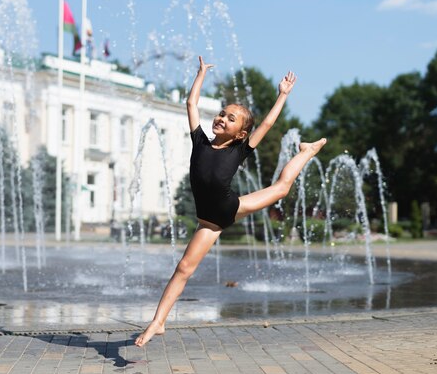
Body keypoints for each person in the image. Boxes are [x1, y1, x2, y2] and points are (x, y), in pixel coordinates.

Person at [134, 56, 326, 347]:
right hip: (209, 223)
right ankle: (158, 323)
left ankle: (306, 151)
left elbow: (269, 123)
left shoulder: (239, 150)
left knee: (281, 188)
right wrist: (200, 75)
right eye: (222, 113)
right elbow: (191, 105)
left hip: (230, 207)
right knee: (184, 268)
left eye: (230, 118)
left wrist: (282, 95)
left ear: (242, 133)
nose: (222, 118)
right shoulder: (199, 140)